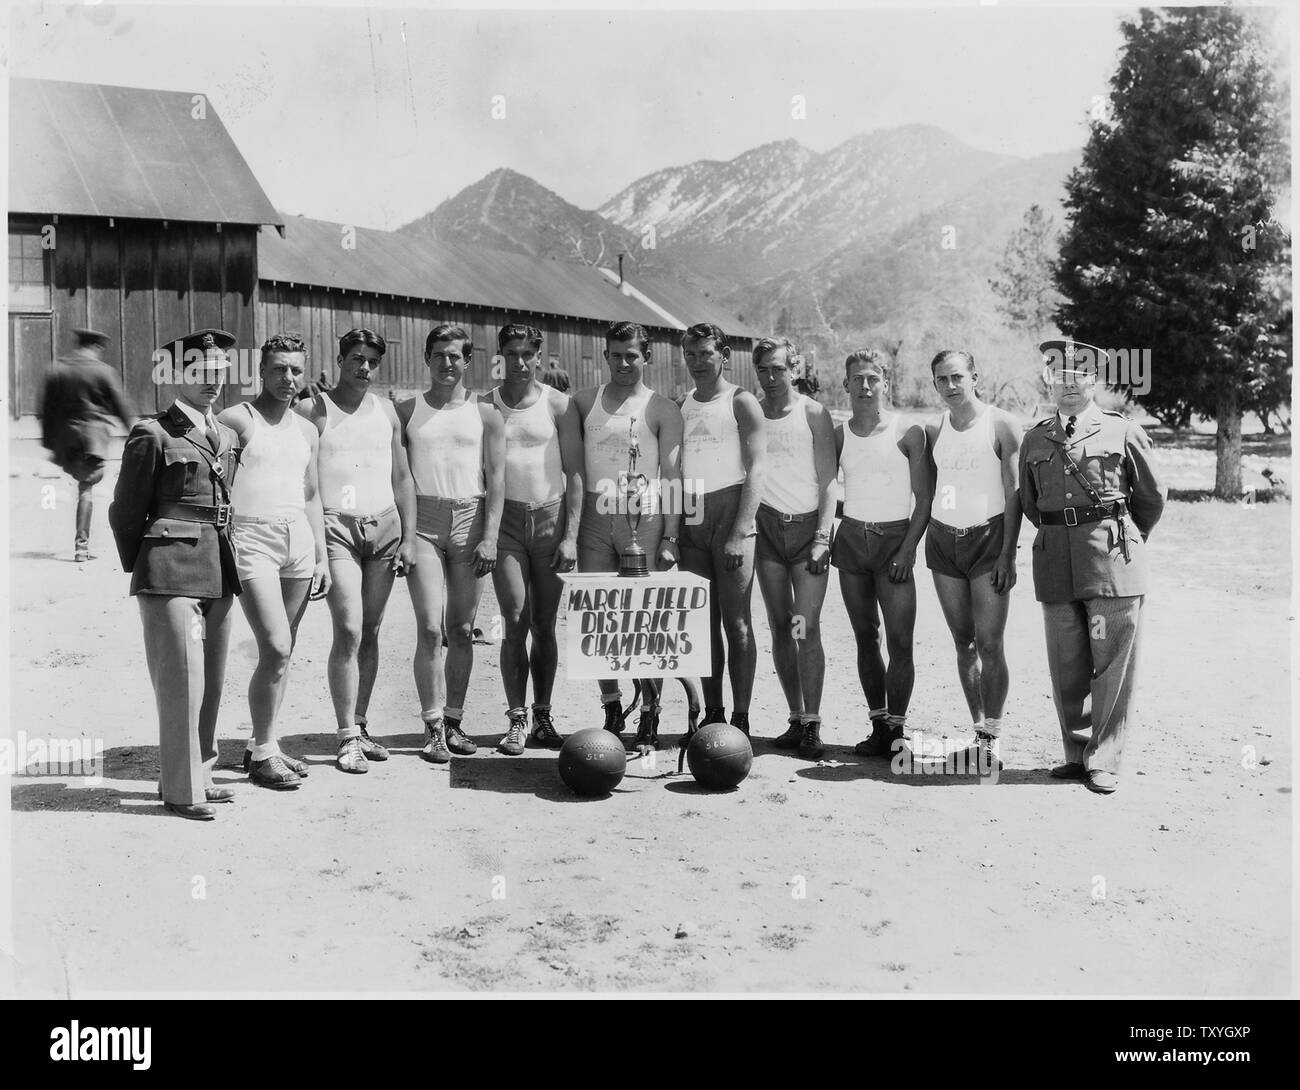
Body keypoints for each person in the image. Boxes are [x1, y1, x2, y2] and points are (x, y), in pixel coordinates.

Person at [1020, 339, 1166, 794]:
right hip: (1055, 564)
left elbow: (1151, 497)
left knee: (1112, 663)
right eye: (1059, 375)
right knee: (1066, 664)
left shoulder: (1122, 431)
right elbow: (1031, 503)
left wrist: (1125, 538)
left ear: (1094, 380)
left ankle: (1105, 759)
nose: (1068, 383)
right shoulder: (1035, 438)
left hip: (1111, 560)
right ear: (1049, 381)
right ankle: (1077, 752)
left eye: (1078, 375)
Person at [108, 329, 242, 820]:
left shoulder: (227, 435)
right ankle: (182, 792)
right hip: (168, 567)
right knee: (182, 679)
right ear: (176, 376)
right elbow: (125, 511)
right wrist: (146, 563)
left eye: (219, 370)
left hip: (218, 566)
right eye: (200, 371)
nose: (212, 380)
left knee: (211, 680)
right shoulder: (154, 433)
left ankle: (199, 774)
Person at [297, 328, 417, 774]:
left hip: (383, 527)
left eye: (372, 361)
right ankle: (346, 736)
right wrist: (313, 546)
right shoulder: (313, 409)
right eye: (356, 359)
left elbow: (402, 478)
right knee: (347, 630)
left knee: (370, 630)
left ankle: (360, 724)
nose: (364, 368)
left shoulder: (386, 411)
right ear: (340, 361)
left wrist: (408, 537)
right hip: (336, 528)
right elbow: (301, 478)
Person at [218, 333, 329, 789]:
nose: (288, 378)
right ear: (261, 371)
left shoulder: (307, 429)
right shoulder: (237, 419)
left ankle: (262, 744)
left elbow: (312, 495)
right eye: (279, 369)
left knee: (284, 649)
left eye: (296, 370)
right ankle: (264, 753)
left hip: (297, 539)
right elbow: (216, 485)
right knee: (277, 646)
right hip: (252, 538)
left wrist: (321, 556)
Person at [574, 321, 684, 752]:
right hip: (596, 515)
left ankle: (651, 711)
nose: (623, 363)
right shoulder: (584, 402)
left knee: (646, 619)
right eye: (616, 355)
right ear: (605, 356)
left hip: (645, 517)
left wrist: (671, 535)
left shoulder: (662, 408)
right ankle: (613, 705)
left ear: (646, 357)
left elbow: (671, 474)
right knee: (600, 615)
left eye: (631, 355)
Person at [398, 324, 505, 763]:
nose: (447, 363)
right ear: (427, 358)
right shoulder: (407, 411)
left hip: (471, 519)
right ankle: (433, 726)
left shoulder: (486, 413)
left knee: (461, 629)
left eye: (455, 355)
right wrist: (405, 534)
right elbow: (398, 477)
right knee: (429, 628)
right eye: (439, 354)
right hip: (424, 520)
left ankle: (454, 720)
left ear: (467, 361)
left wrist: (490, 536)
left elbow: (497, 478)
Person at [482, 323, 583, 754]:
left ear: (539, 357)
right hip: (506, 523)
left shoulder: (558, 404)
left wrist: (570, 537)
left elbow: (575, 473)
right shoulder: (486, 405)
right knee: (513, 620)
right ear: (500, 356)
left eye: (528, 354)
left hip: (549, 519)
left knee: (544, 624)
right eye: (512, 353)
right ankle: (516, 718)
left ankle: (543, 714)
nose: (520, 362)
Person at [923, 349, 1023, 774]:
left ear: (975, 377)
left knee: (990, 643)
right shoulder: (934, 429)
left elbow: (1014, 493)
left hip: (988, 540)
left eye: (957, 377)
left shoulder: (1001, 424)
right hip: (943, 541)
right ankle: (979, 735)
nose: (950, 385)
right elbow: (931, 487)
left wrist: (1008, 554)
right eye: (942, 379)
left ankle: (993, 740)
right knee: (963, 642)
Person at [831, 350, 932, 761]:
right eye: (857, 379)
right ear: (846, 384)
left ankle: (896, 729)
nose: (865, 386)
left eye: (873, 378)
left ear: (885, 384)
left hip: (895, 542)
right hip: (852, 542)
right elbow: (827, 489)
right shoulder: (839, 435)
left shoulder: (908, 431)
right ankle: (877, 725)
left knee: (901, 641)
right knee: (865, 637)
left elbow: (924, 499)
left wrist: (908, 549)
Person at [676, 323, 765, 737]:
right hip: (693, 516)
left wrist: (739, 532)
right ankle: (713, 712)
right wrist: (673, 533)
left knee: (737, 623)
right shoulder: (683, 405)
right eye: (690, 355)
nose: (698, 362)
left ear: (724, 355)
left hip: (732, 515)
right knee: (702, 623)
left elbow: (757, 470)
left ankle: (741, 716)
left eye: (706, 354)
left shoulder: (741, 401)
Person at [751, 337, 837, 758]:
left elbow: (829, 481)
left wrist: (822, 537)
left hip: (806, 533)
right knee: (780, 625)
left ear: (794, 369)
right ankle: (795, 717)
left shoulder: (813, 413)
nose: (771, 377)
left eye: (778, 369)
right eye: (763, 369)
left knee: (806, 626)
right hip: (767, 531)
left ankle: (813, 725)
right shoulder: (752, 412)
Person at [40, 328, 133, 563]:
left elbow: (46, 411)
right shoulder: (104, 371)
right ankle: (82, 547)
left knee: (82, 485)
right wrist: (134, 434)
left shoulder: (57, 368)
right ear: (96, 347)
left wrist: (50, 444)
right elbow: (121, 408)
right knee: (86, 488)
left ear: (78, 344)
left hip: (66, 439)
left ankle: (81, 545)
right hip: (94, 440)